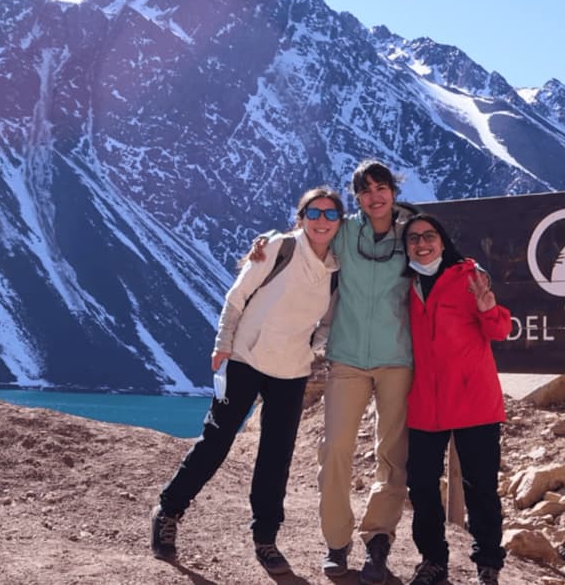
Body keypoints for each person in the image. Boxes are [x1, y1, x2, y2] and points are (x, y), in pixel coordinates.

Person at [150, 187, 344, 576]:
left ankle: (265, 538)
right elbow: (237, 297)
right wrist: (222, 344)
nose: (322, 220)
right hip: (246, 358)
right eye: (314, 212)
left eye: (330, 214)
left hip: (292, 370)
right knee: (216, 440)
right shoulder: (278, 248)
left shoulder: (338, 271)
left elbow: (326, 323)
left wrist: (312, 348)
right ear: (301, 216)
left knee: (276, 456)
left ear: (340, 222)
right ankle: (169, 510)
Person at [252, 160, 414, 585]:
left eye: (382, 188)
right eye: (366, 191)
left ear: (394, 192)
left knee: (392, 455)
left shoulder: (412, 230)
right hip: (345, 359)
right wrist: (268, 243)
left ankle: (378, 540)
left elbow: (443, 259)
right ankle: (337, 542)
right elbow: (309, 237)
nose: (375, 196)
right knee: (335, 450)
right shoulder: (345, 230)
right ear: (357, 197)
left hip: (399, 359)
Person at [399, 214, 511, 585]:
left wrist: (486, 308)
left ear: (442, 242)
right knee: (422, 485)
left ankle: (488, 563)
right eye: (413, 239)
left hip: (473, 400)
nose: (422, 244)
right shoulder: (408, 283)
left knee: (480, 486)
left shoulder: (468, 278)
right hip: (426, 404)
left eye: (429, 236)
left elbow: (500, 330)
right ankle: (433, 560)